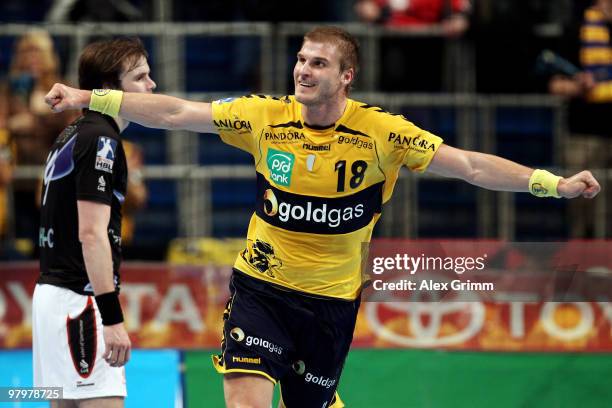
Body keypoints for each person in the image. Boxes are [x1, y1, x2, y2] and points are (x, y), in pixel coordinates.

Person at [45, 26, 600, 408]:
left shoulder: (383, 133)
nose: (303, 70)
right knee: (243, 395)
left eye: (318, 63)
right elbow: (173, 111)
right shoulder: (264, 117)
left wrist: (552, 184)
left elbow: (473, 166)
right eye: (300, 59)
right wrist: (90, 96)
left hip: (331, 304)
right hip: (261, 289)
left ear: (347, 75)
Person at [34, 37, 156, 407]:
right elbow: (91, 233)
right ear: (108, 89)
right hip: (80, 303)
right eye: (140, 77)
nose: (152, 86)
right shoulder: (102, 139)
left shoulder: (73, 132)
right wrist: (112, 319)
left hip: (54, 299)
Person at [0, 30, 78, 247]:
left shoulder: (61, 86)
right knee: (21, 244)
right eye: (26, 51)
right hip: (16, 181)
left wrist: (37, 119)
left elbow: (73, 128)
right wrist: (17, 123)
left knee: (53, 242)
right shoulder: (8, 89)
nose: (31, 57)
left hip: (52, 178)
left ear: (49, 55)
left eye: (37, 51)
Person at [548, 0, 612, 237]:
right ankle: (584, 260)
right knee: (582, 204)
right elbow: (555, 84)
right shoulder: (577, 29)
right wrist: (578, 85)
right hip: (585, 133)